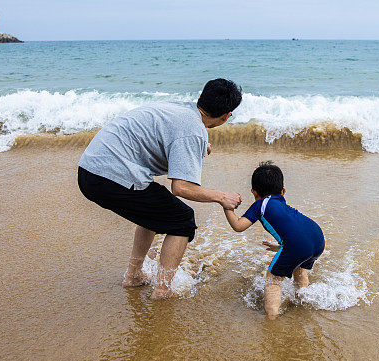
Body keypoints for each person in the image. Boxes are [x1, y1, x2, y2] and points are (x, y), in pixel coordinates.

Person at [77, 79, 243, 299]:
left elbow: (173, 134)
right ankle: (163, 289)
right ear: (226, 115)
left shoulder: (182, 108)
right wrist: (222, 197)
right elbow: (181, 188)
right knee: (182, 220)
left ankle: (134, 275)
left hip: (90, 168)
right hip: (109, 175)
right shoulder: (193, 131)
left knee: (155, 207)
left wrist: (200, 144)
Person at [223, 161, 325, 319]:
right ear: (283, 191)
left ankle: (272, 317)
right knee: (299, 268)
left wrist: (227, 206)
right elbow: (294, 231)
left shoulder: (259, 205)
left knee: (273, 277)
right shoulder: (281, 202)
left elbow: (238, 226)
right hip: (317, 238)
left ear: (253, 191)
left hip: (297, 245)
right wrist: (281, 246)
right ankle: (303, 300)